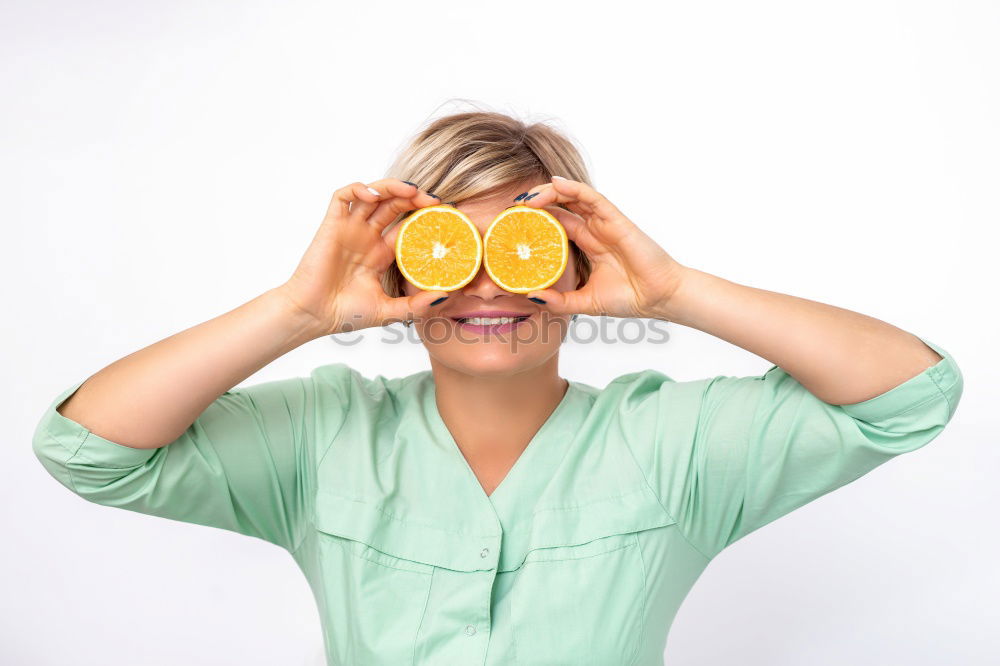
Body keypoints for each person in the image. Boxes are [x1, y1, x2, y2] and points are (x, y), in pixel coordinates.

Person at [32, 110, 963, 666]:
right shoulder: (321, 436)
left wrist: (674, 291)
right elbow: (88, 450)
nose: (487, 285)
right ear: (399, 270)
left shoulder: (673, 446)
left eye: (525, 248)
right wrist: (299, 310)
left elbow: (911, 394)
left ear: (578, 259)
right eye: (450, 249)